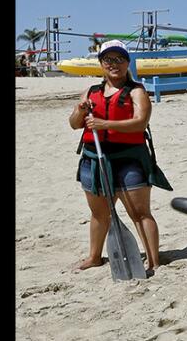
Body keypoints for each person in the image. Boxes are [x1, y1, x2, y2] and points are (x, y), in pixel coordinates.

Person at [68, 39, 171, 273]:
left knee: (139, 213)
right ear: (101, 64)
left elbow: (140, 122)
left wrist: (104, 123)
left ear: (127, 63)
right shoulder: (90, 92)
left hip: (129, 159)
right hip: (94, 159)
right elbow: (74, 124)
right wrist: (80, 111)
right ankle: (94, 257)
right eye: (108, 60)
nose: (113, 64)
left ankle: (154, 261)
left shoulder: (137, 91)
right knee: (99, 214)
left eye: (119, 59)